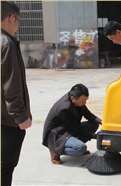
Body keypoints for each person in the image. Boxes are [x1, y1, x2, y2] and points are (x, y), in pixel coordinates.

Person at [1, 2, 33, 186]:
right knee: (5, 167)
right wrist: (21, 117)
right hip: (7, 122)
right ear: (11, 18)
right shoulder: (6, 44)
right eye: (18, 22)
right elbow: (10, 85)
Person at [42, 83, 102, 165]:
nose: (84, 103)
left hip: (68, 127)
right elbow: (78, 130)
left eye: (85, 100)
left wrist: (102, 122)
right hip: (57, 134)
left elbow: (88, 115)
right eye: (83, 101)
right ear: (73, 98)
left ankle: (75, 145)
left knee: (94, 124)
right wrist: (97, 137)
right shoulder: (64, 108)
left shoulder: (77, 99)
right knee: (81, 148)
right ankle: (55, 150)